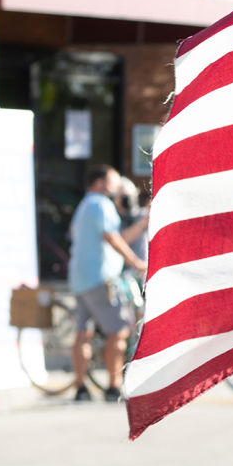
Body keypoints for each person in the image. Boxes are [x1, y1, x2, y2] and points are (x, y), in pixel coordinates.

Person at [68, 165, 147, 402]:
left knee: (83, 333)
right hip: (101, 278)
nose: (117, 187)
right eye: (113, 181)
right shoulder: (101, 205)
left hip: (80, 279)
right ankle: (113, 386)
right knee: (119, 331)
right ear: (100, 183)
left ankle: (81, 388)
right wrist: (134, 261)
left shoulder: (83, 206)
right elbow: (112, 237)